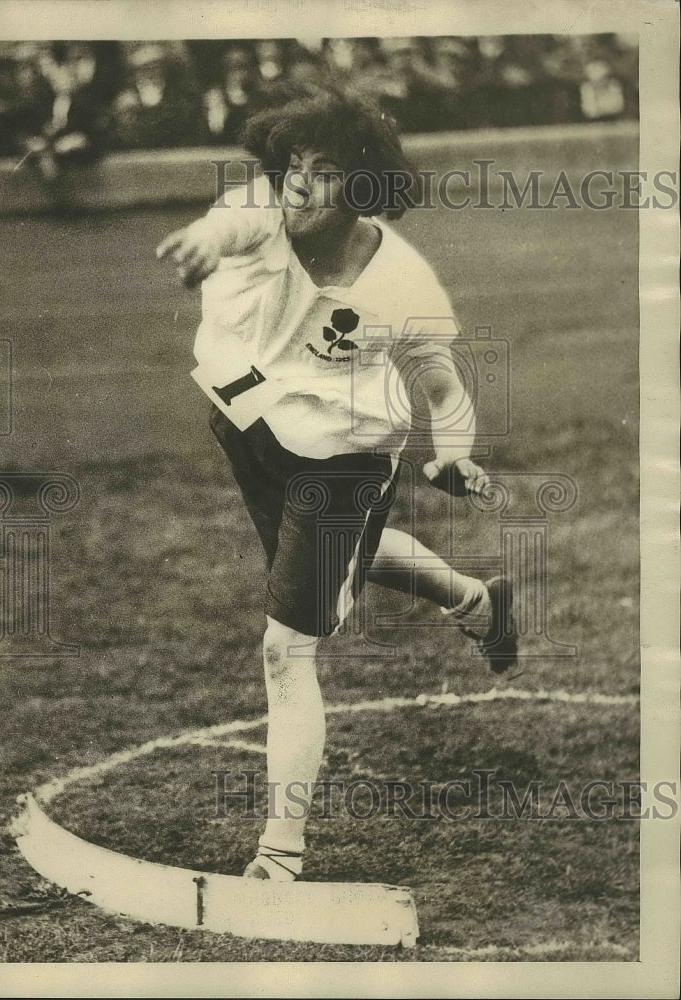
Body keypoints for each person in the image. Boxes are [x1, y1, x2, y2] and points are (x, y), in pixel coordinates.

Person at [157, 89, 517, 882]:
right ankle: (478, 602)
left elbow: (443, 389)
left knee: (286, 649)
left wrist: (453, 455)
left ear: (361, 187)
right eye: (292, 166)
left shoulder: (402, 284)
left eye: (322, 173)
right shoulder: (258, 209)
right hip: (249, 426)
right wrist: (200, 236)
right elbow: (234, 223)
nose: (296, 185)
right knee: (347, 562)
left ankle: (279, 853)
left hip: (341, 461)